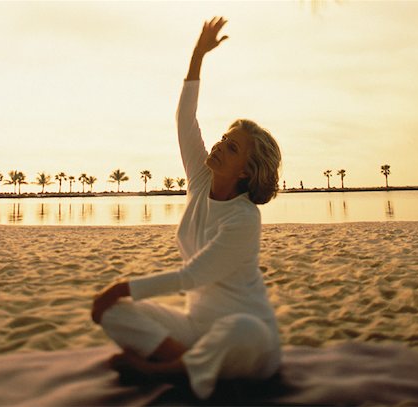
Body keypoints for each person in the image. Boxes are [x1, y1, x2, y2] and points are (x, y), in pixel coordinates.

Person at [91, 16, 282, 400]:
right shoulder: (200, 180)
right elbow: (185, 119)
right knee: (115, 313)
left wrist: (121, 287)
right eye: (223, 139)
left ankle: (165, 370)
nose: (217, 146)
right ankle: (192, 367)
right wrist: (198, 54)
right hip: (197, 328)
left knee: (243, 329)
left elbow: (191, 276)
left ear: (246, 171)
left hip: (248, 341)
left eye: (231, 148)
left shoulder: (244, 218)